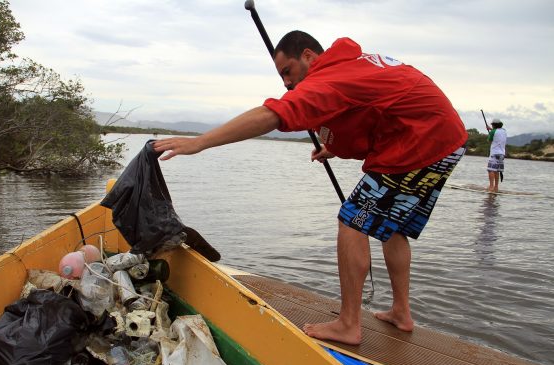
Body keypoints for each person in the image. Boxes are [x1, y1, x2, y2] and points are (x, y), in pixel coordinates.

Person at [153, 31, 467, 345]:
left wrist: (200, 142)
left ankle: (348, 324)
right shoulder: (353, 64)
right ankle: (401, 312)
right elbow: (375, 115)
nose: (287, 84)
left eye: (287, 72)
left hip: (420, 142)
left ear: (308, 56)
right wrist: (336, 148)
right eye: (282, 78)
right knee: (392, 226)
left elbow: (272, 114)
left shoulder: (332, 77)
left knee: (352, 220)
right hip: (444, 138)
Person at [486, 118, 507, 192]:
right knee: (497, 171)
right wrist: (491, 129)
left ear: (494, 125)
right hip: (502, 154)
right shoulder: (504, 131)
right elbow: (497, 132)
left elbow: (489, 140)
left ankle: (491, 187)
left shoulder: (493, 132)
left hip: (494, 153)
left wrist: (490, 132)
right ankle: (496, 187)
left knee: (490, 170)